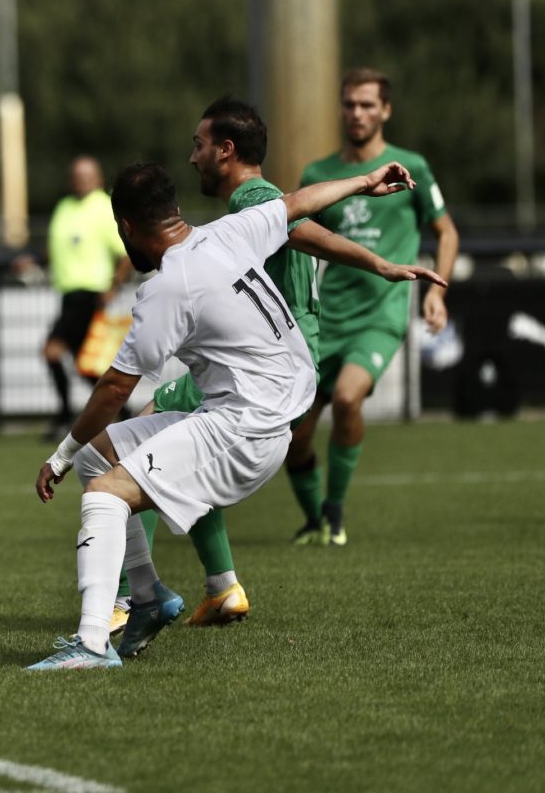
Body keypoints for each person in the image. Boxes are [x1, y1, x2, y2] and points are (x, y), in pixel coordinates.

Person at [27, 156, 419, 670]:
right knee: (96, 463)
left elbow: (114, 387)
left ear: (125, 226)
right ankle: (149, 600)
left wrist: (57, 455)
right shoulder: (227, 231)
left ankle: (92, 645)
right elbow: (298, 203)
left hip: (247, 425)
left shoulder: (169, 286)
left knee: (103, 493)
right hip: (255, 409)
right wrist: (364, 182)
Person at [114, 98, 447, 632]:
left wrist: (379, 265)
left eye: (199, 145)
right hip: (285, 361)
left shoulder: (252, 196)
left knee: (143, 435)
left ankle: (130, 598)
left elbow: (305, 230)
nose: (192, 156)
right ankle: (221, 589)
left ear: (226, 151)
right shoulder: (256, 200)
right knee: (181, 449)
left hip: (271, 366)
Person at [286, 68, 458, 546]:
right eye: (349, 104)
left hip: (380, 317)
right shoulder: (318, 175)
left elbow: (446, 231)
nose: (357, 113)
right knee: (292, 436)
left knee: (346, 397)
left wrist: (436, 292)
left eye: (367, 104)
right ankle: (313, 519)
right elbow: (297, 237)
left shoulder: (412, 167)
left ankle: (335, 516)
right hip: (324, 320)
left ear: (386, 110)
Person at [36, 155, 132, 439]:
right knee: (86, 364)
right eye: (76, 175)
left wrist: (113, 286)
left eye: (86, 175)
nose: (80, 181)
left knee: (53, 352)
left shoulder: (103, 208)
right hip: (68, 295)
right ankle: (119, 411)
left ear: (98, 178)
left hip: (90, 295)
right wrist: (33, 259)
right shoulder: (65, 207)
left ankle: (65, 416)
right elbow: (55, 248)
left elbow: (124, 253)